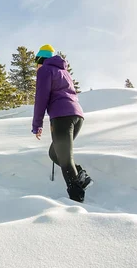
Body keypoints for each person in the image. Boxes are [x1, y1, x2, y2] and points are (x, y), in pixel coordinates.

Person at [31, 44, 92, 202]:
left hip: (61, 117)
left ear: (41, 59)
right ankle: (80, 175)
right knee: (54, 153)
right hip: (77, 116)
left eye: (36, 62)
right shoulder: (64, 72)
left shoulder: (45, 69)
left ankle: (77, 200)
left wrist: (37, 124)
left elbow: (41, 98)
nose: (36, 66)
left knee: (65, 159)